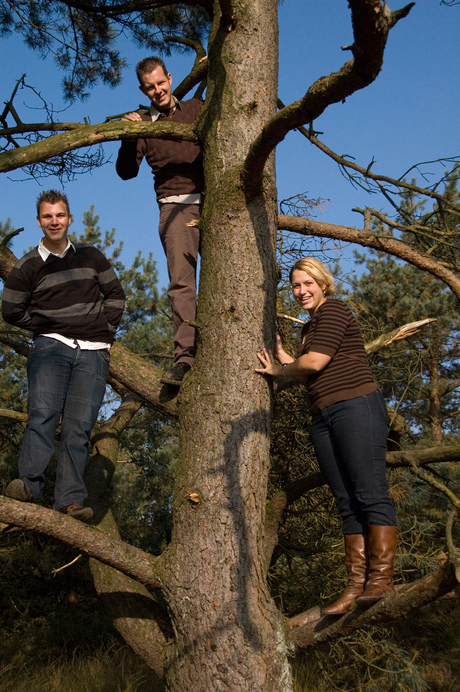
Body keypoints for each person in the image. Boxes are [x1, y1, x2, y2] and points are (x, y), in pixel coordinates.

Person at [255, 257, 397, 612]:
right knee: (345, 501)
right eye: (295, 286)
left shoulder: (333, 310)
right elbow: (307, 372)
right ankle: (355, 586)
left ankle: (381, 580)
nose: (301, 291)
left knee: (369, 492)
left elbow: (315, 362)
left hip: (356, 405)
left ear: (323, 283)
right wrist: (283, 355)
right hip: (323, 415)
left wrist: (280, 367)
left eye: (307, 284)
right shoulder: (309, 328)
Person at [2, 190, 125, 522]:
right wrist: (43, 324)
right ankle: (28, 486)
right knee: (42, 415)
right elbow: (10, 310)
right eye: (47, 216)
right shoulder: (29, 264)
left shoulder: (91, 256)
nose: (54, 221)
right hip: (50, 348)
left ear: (69, 219)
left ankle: (69, 500)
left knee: (79, 427)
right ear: (39, 222)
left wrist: (106, 330)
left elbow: (115, 294)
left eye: (60, 215)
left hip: (94, 354)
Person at [116, 56, 204, 386]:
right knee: (182, 283)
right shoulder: (142, 124)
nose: (157, 90)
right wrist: (129, 133)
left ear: (170, 78)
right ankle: (185, 357)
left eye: (161, 83)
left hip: (215, 202)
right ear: (143, 89)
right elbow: (126, 172)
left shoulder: (196, 108)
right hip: (176, 205)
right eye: (150, 87)